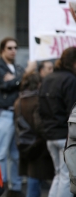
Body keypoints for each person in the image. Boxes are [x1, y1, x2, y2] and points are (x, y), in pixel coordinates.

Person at [0, 37, 32, 197]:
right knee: (0, 153)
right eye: (10, 48)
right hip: (3, 113)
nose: (13, 51)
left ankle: (15, 187)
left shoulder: (16, 68)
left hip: (16, 115)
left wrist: (15, 80)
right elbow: (4, 85)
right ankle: (0, 185)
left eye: (15, 47)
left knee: (15, 154)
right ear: (2, 50)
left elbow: (22, 83)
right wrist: (19, 79)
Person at [39, 47, 76, 197]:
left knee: (59, 174)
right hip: (65, 136)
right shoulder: (71, 80)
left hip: (51, 135)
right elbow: (72, 111)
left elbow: (40, 108)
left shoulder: (48, 78)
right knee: (67, 176)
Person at [14, 71, 54, 197]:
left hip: (25, 143)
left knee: (32, 176)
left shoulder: (18, 101)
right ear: (38, 83)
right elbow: (39, 125)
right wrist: (49, 135)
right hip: (38, 144)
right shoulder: (38, 100)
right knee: (35, 178)